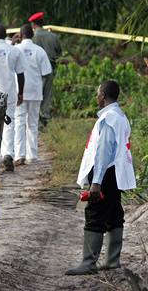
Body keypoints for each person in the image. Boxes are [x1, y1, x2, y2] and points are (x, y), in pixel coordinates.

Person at [66, 80, 136, 275]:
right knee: (114, 214)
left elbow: (104, 152)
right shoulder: (120, 116)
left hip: (105, 173)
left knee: (95, 215)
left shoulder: (109, 119)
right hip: (116, 173)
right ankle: (112, 260)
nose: (97, 96)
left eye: (98, 93)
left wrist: (96, 182)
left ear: (103, 95)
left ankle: (88, 262)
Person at [0, 24, 26, 171]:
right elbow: (20, 74)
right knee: (9, 122)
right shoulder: (14, 50)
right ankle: (7, 153)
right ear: (4, 35)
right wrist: (21, 93)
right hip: (9, 92)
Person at [14, 24, 51, 165]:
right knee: (33, 124)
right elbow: (46, 72)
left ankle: (19, 155)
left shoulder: (15, 50)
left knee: (19, 122)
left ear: (20, 35)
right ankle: (32, 155)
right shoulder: (39, 51)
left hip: (19, 92)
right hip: (35, 91)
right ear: (32, 35)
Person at [28, 11, 62, 126]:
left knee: (37, 94)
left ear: (33, 24)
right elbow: (59, 53)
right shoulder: (53, 37)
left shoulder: (32, 38)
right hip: (50, 69)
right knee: (47, 94)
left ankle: (35, 119)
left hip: (35, 70)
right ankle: (45, 118)